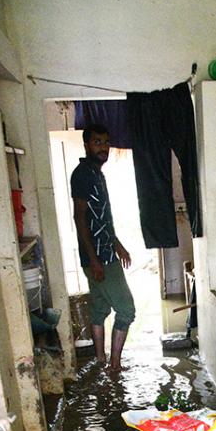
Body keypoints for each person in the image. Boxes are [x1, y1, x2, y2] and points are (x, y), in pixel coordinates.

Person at [71, 123, 135, 370]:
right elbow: (80, 217)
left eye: (106, 142)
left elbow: (101, 217)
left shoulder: (96, 172)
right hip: (100, 257)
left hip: (105, 252)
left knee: (99, 308)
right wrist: (94, 259)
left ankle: (100, 360)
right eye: (97, 142)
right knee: (126, 309)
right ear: (87, 144)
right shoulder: (83, 174)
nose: (103, 147)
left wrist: (117, 243)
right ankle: (115, 365)